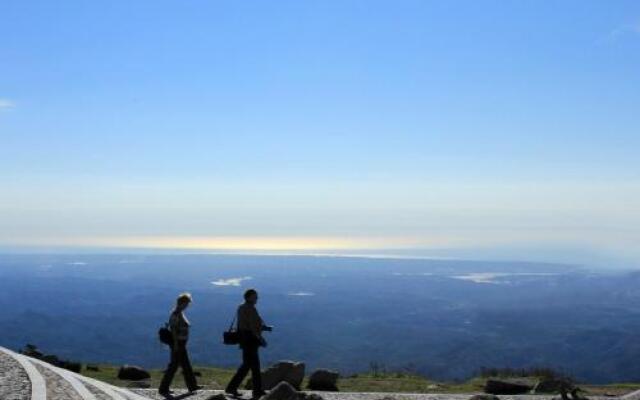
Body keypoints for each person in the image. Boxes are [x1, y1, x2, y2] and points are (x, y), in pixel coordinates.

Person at [226, 289, 273, 398]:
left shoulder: (241, 307)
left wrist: (264, 328)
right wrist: (261, 339)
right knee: (254, 366)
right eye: (255, 297)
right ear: (248, 297)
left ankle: (234, 387)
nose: (257, 298)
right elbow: (252, 326)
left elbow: (244, 324)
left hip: (244, 339)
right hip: (251, 340)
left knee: (247, 365)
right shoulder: (250, 308)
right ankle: (256, 391)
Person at [159, 293, 202, 396]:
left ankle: (192, 385)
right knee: (174, 366)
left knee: (186, 365)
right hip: (178, 343)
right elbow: (173, 330)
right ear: (182, 303)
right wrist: (176, 344)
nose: (187, 306)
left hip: (181, 342)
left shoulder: (180, 313)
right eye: (187, 303)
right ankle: (163, 389)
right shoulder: (176, 314)